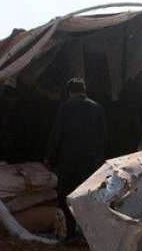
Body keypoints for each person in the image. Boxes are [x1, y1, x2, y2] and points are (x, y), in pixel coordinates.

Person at [45, 78, 106, 239]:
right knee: (89, 195)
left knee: (67, 195)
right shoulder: (97, 108)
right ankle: (90, 234)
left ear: (70, 92)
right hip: (91, 162)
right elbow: (102, 137)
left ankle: (70, 233)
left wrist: (51, 158)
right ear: (84, 90)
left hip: (69, 160)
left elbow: (56, 135)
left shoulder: (65, 108)